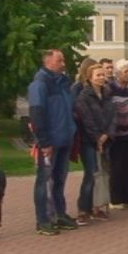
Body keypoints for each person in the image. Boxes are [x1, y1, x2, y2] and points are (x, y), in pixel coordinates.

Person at [28, 49, 78, 236]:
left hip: (64, 138)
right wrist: (44, 141)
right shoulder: (40, 84)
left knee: (59, 180)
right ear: (49, 62)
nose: (63, 63)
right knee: (44, 181)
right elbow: (37, 115)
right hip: (50, 142)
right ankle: (43, 220)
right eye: (60, 60)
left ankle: (59, 214)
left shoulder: (63, 83)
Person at [75, 64, 116, 224]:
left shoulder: (107, 94)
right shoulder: (84, 96)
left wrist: (107, 135)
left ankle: (98, 207)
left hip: (106, 140)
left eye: (102, 75)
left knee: (103, 174)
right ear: (89, 77)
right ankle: (83, 209)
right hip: (89, 141)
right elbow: (86, 119)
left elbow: (113, 116)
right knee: (91, 174)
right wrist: (97, 137)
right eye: (97, 75)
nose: (101, 78)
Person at [108, 59, 128, 210]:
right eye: (125, 72)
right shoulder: (110, 89)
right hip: (118, 133)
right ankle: (116, 199)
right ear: (117, 73)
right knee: (117, 166)